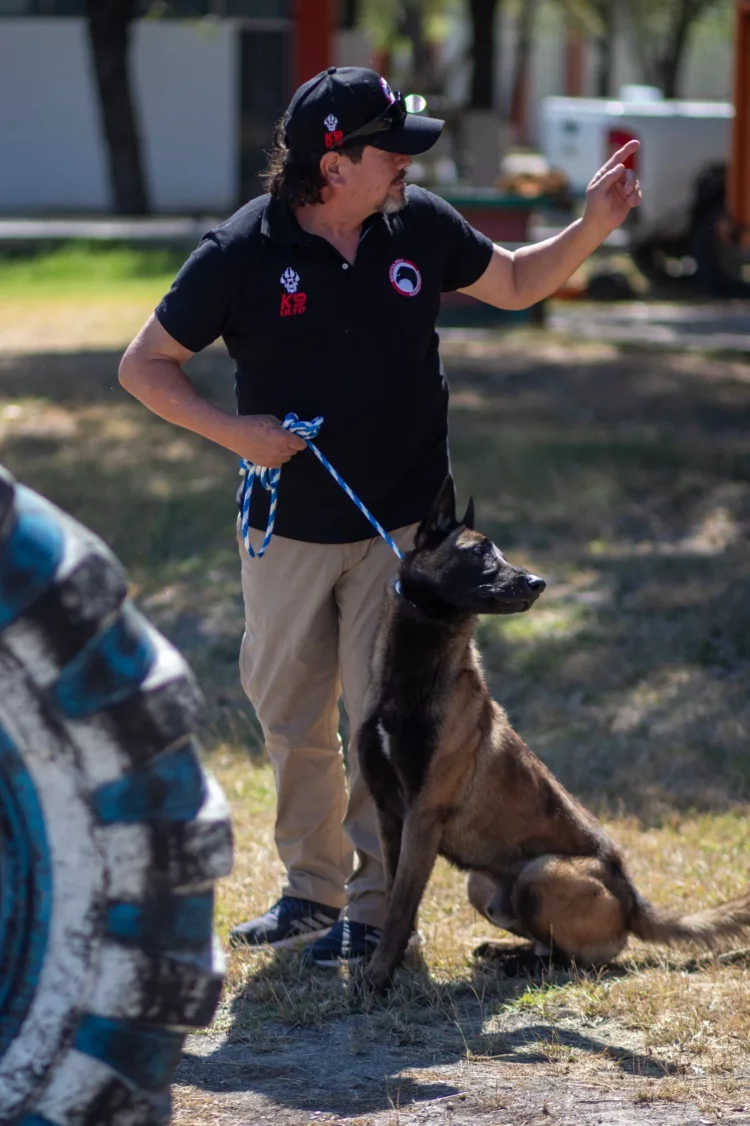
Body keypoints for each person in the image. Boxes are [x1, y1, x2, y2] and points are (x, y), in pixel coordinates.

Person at [119, 66, 641, 968]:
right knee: (290, 714)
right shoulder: (242, 250)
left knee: (382, 720)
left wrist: (593, 225)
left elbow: (517, 282)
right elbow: (144, 365)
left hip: (405, 533)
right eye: (389, 151)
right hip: (288, 528)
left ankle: (370, 907)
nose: (407, 164)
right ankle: (309, 892)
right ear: (333, 165)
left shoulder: (419, 224)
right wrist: (236, 434)